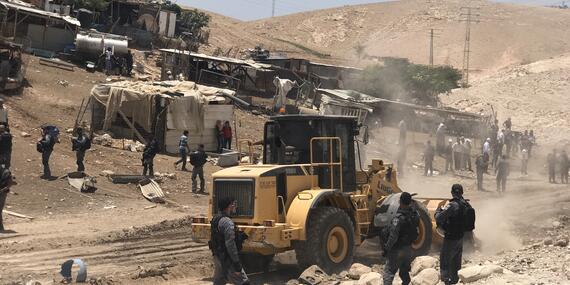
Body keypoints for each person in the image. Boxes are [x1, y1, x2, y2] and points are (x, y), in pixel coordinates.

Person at [435, 184, 472, 285]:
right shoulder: (465, 204)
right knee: (456, 259)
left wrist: (438, 210)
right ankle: (455, 279)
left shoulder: (452, 205)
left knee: (445, 258)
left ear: (452, 192)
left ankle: (446, 280)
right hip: (460, 236)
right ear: (462, 192)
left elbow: (439, 218)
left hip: (451, 236)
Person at [210, 197, 250, 285]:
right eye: (233, 204)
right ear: (228, 207)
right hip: (227, 258)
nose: (234, 206)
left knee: (219, 282)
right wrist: (237, 264)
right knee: (244, 282)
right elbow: (230, 244)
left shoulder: (215, 219)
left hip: (218, 256)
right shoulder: (227, 222)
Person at [382, 192, 419, 285]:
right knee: (404, 271)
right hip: (408, 249)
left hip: (397, 249)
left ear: (400, 202)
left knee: (388, 272)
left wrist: (386, 248)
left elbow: (393, 236)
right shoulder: (415, 215)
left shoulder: (398, 218)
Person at [0, 165, 14, 232]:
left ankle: (1, 228)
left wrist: (3, 190)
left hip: (2, 193)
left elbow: (10, 183)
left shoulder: (6, 172)